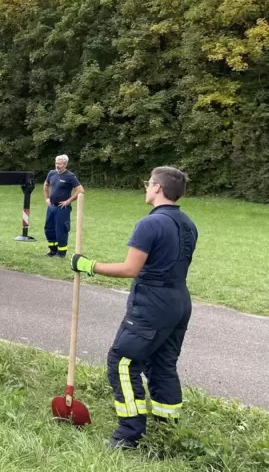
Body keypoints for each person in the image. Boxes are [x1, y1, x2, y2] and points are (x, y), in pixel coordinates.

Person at [70, 166, 198, 449]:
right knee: (162, 363)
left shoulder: (150, 224)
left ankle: (129, 432)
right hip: (179, 302)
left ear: (158, 189)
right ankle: (169, 430)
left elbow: (130, 268)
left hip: (152, 305)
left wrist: (89, 265)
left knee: (122, 362)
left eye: (148, 183)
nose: (146, 188)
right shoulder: (189, 224)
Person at [44, 154, 84, 258]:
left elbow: (80, 190)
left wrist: (68, 201)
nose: (57, 165)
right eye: (56, 163)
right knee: (49, 229)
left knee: (61, 230)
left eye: (60, 164)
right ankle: (52, 250)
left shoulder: (69, 176)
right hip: (51, 207)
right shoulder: (51, 173)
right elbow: (46, 185)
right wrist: (47, 198)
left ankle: (61, 253)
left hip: (62, 208)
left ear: (65, 165)